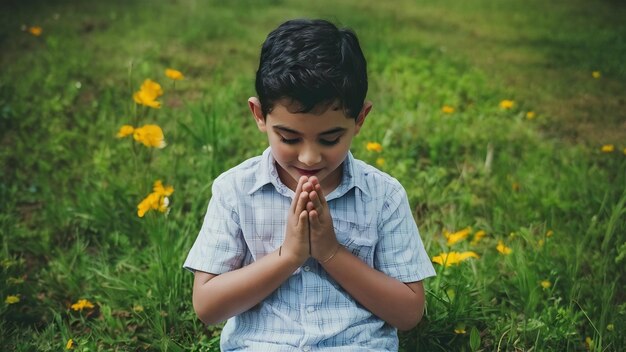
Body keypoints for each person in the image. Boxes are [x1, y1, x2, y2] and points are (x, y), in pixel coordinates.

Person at [183, 18, 435, 351]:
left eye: (330, 138)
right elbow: (207, 306)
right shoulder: (235, 191)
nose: (309, 157)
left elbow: (408, 312)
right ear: (259, 115)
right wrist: (289, 256)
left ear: (360, 119)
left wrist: (331, 252)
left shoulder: (383, 196)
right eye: (289, 137)